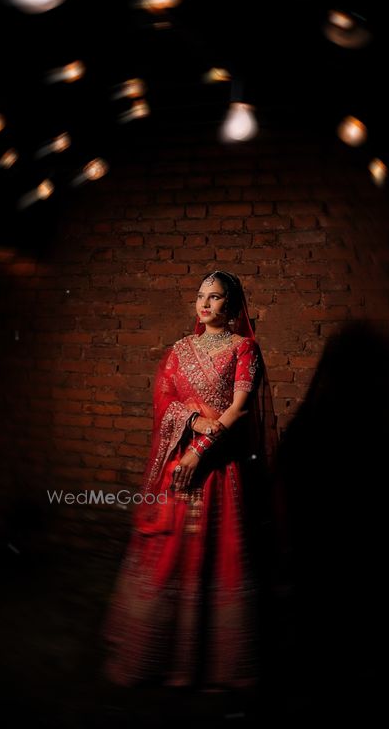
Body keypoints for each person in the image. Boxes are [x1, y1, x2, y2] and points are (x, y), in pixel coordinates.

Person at [101, 270, 278, 691]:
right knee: (169, 552)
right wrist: (193, 422)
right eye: (200, 296)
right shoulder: (179, 351)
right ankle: (160, 654)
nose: (205, 304)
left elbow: (239, 409)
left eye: (215, 297)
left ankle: (209, 661)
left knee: (217, 553)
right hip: (177, 463)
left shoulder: (244, 348)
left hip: (218, 466)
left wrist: (201, 449)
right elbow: (164, 403)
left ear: (231, 304)